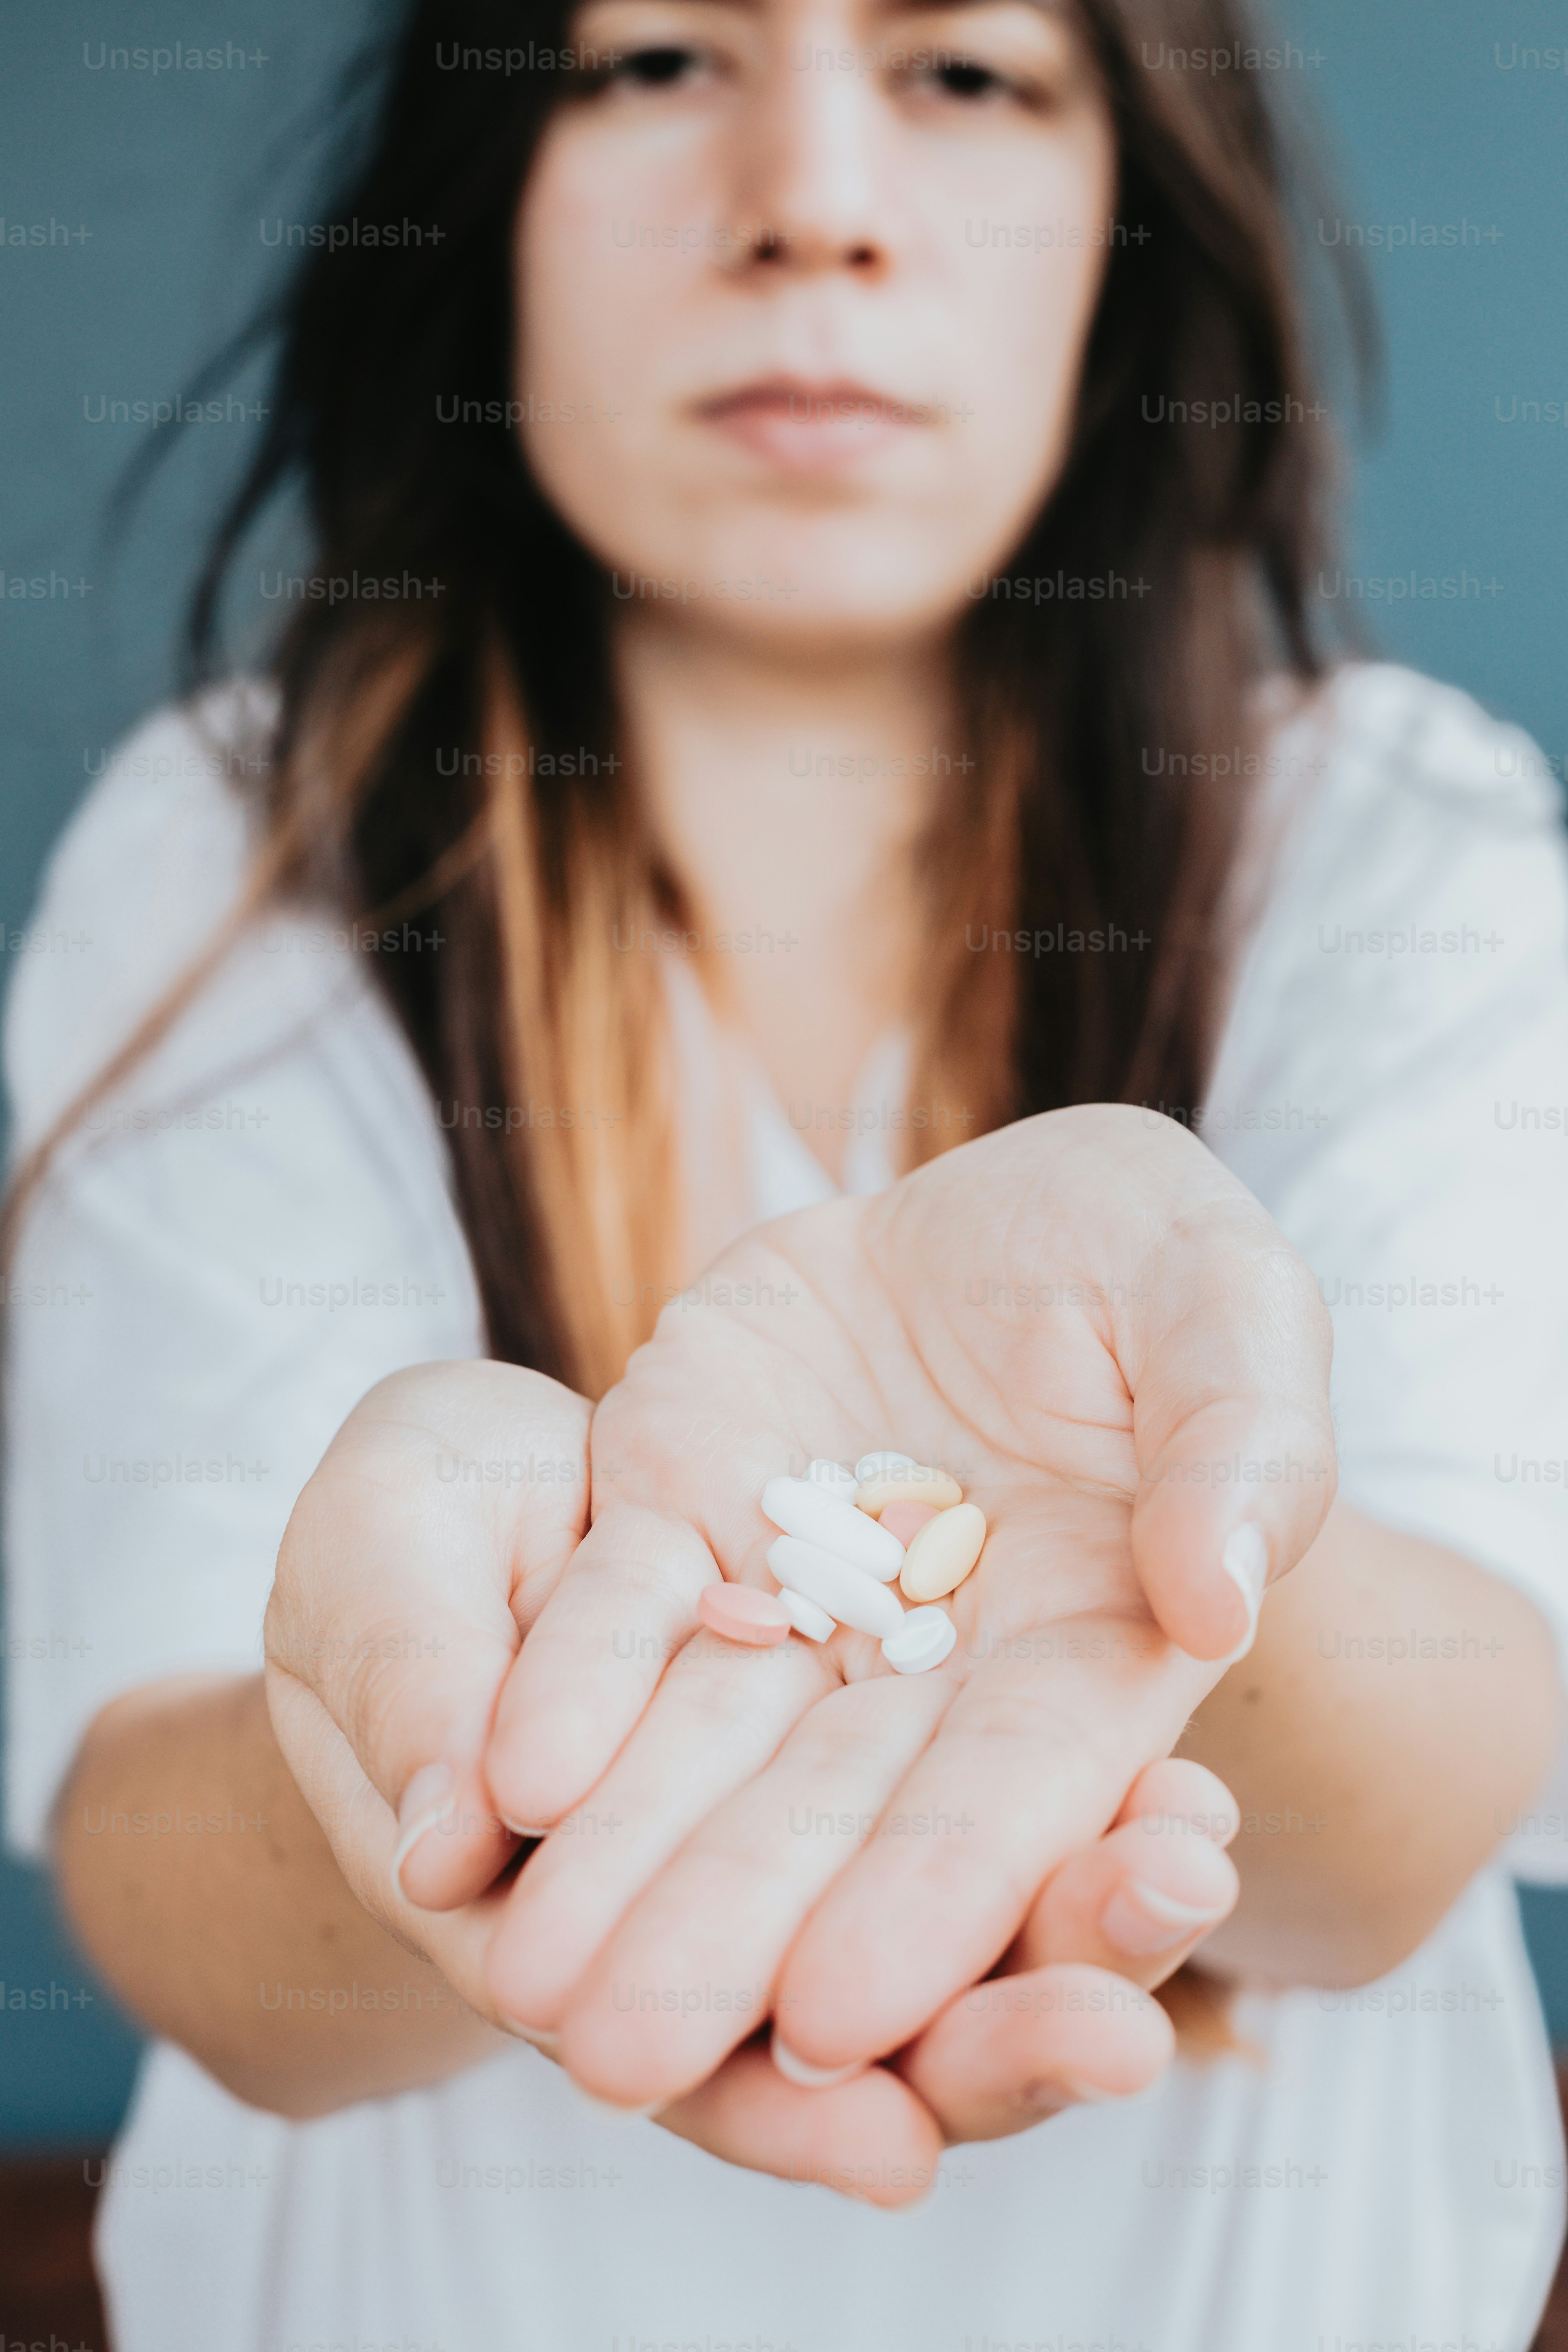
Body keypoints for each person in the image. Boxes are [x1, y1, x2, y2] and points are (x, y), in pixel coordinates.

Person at [4, 0, 1567, 2342]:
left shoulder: (1394, 849)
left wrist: (1169, 1550)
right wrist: (421, 1775)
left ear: (1128, 229)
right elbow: (171, 1886)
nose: (812, 204)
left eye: (966, 76)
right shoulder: (240, 861)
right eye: (653, 62)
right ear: (493, 195)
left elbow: (1416, 1818)